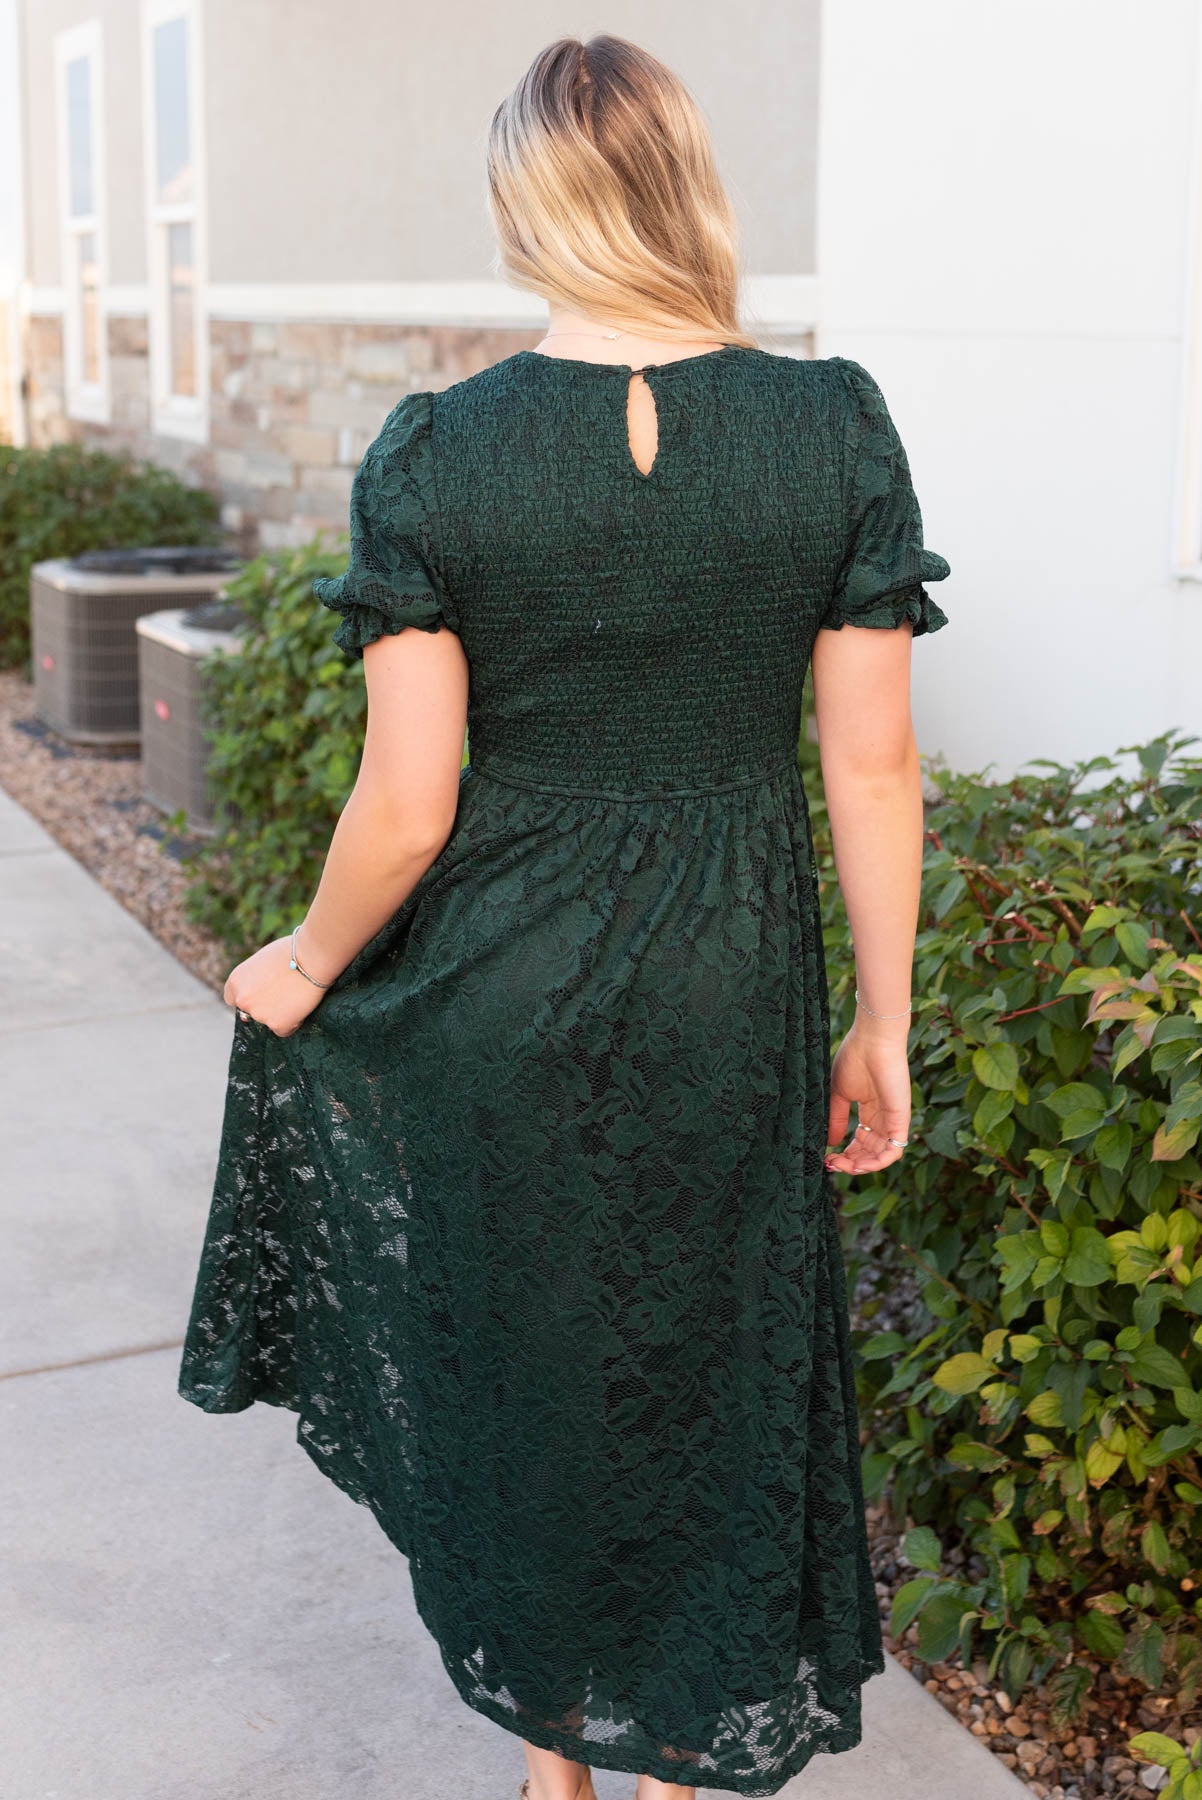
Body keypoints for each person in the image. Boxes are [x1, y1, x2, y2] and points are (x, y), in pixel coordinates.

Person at [177, 31, 951, 1800]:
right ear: (688, 182)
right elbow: (873, 769)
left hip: (495, 986)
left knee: (526, 1354)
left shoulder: (440, 452)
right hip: (724, 977)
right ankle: (668, 1757)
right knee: (694, 1358)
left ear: (525, 200)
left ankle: (557, 1767)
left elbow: (406, 803)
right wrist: (880, 1019)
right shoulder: (829, 427)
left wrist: (299, 966)